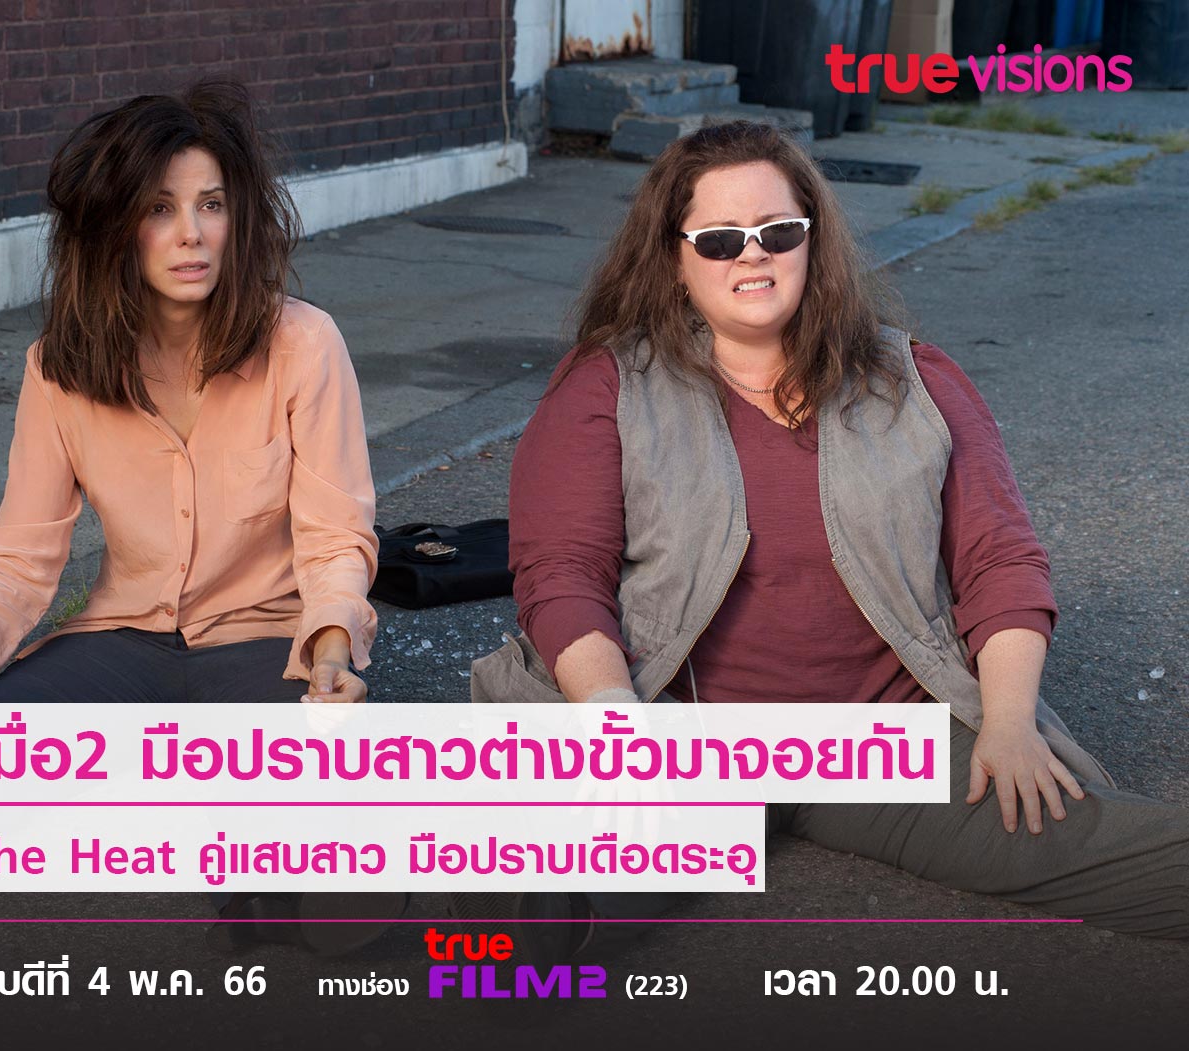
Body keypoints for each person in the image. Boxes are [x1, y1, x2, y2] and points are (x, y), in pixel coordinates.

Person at [467, 120, 1188, 951]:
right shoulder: (606, 385)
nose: (753, 255)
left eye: (777, 232)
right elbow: (563, 573)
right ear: (673, 257)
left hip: (879, 736)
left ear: (812, 240)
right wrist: (614, 725)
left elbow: (1000, 561)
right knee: (567, 878)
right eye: (719, 239)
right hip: (686, 731)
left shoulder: (914, 379)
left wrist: (1009, 721)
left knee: (1090, 838)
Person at [0, 81, 403, 953]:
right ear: (114, 227)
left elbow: (336, 536)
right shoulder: (60, 367)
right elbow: (21, 555)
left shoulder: (304, 345)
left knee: (320, 812)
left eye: (212, 204)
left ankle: (286, 884)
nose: (192, 234)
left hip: (267, 647)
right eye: (160, 208)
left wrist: (332, 649)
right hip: (121, 645)